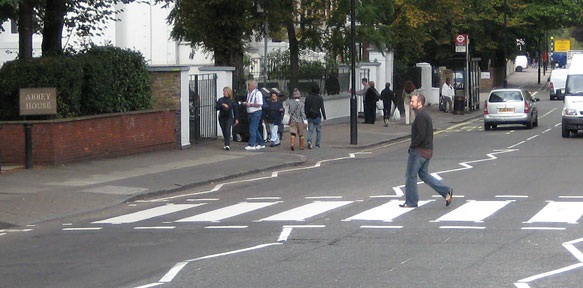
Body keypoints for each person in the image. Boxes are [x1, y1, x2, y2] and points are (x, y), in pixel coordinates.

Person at [399, 94, 453, 208]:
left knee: (410, 176)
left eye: (413, 101)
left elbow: (421, 135)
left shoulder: (421, 116)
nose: (411, 103)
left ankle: (411, 202)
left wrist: (412, 146)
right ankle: (446, 191)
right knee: (424, 175)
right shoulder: (423, 115)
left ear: (419, 103)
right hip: (427, 150)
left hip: (419, 151)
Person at [244, 80, 265, 151]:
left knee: (252, 129)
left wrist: (250, 105)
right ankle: (261, 143)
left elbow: (260, 104)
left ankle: (251, 144)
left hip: (256, 112)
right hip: (250, 112)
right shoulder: (249, 93)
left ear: (253, 86)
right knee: (255, 129)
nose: (248, 87)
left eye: (249, 85)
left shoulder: (258, 93)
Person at [304, 82, 327, 149]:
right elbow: (322, 108)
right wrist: (324, 117)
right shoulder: (320, 98)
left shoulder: (308, 98)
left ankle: (309, 140)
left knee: (310, 130)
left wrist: (306, 115)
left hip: (310, 116)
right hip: (318, 116)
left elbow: (306, 107)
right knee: (318, 131)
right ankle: (317, 144)